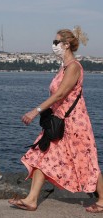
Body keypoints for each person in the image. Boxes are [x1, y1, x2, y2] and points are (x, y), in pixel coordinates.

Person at [9, 26, 103, 213]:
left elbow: (60, 94)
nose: (53, 45)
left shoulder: (74, 67)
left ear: (67, 45)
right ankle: (32, 199)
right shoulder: (64, 67)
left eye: (56, 42)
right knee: (41, 155)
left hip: (74, 125)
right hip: (59, 123)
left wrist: (35, 111)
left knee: (86, 162)